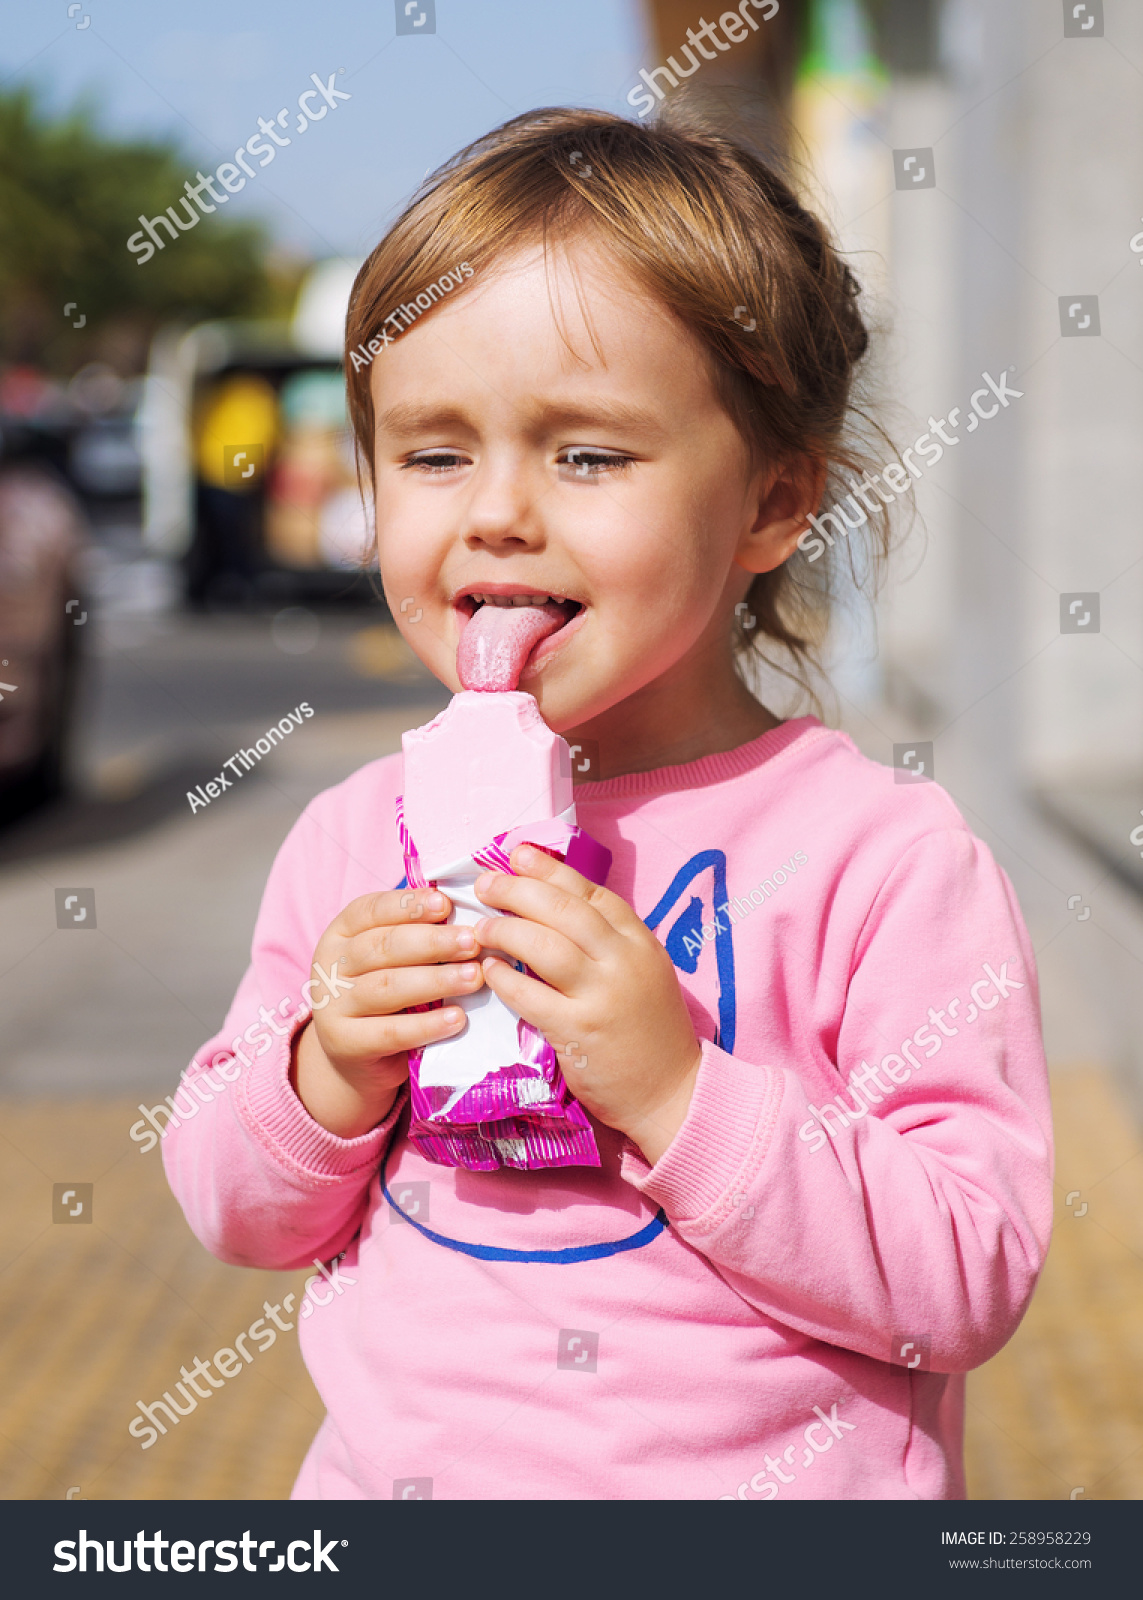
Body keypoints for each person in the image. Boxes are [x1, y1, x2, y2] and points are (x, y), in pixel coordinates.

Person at [161, 107, 1052, 1500]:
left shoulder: (879, 860)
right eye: (435, 452)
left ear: (773, 503)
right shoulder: (349, 842)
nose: (497, 512)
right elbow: (232, 1203)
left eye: (587, 455)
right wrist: (328, 1066)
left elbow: (967, 1270)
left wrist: (680, 1091)